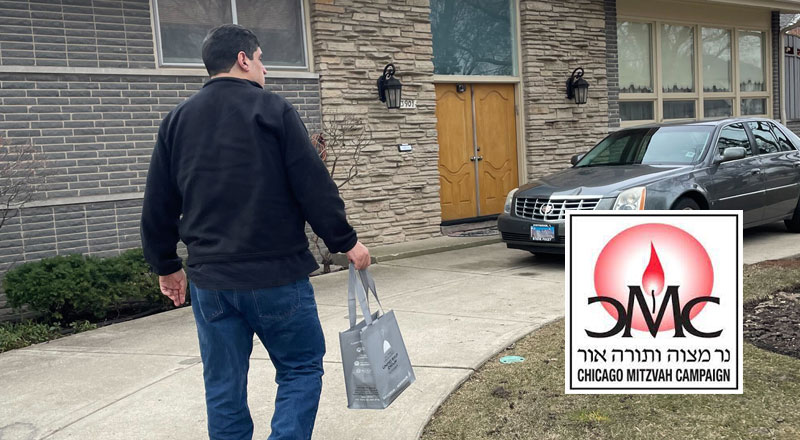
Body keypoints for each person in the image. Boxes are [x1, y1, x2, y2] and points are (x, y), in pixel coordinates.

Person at [140, 24, 370, 440]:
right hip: (276, 278)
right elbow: (312, 184)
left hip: (211, 283)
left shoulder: (176, 121)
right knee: (300, 368)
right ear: (243, 59)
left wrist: (166, 265)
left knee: (223, 385)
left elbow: (158, 201)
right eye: (261, 58)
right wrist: (346, 241)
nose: (265, 68)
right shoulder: (273, 110)